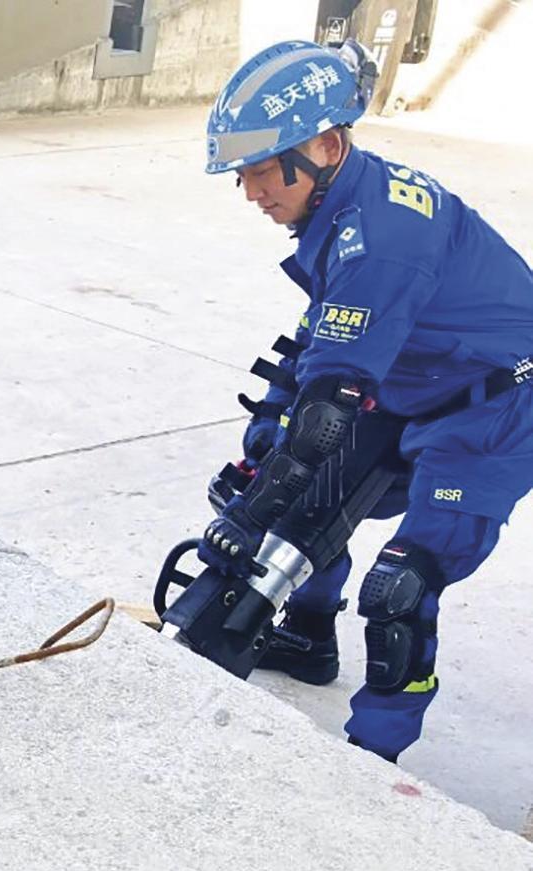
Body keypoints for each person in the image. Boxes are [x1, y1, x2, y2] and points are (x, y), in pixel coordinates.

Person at [200, 39, 533, 761]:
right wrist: (265, 462)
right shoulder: (337, 205)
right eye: (242, 176)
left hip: (496, 405)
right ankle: (307, 636)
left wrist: (251, 514)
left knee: (400, 588)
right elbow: (318, 349)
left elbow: (327, 411)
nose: (253, 193)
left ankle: (373, 764)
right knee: (296, 488)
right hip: (416, 379)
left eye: (263, 171)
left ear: (325, 146)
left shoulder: (381, 237)